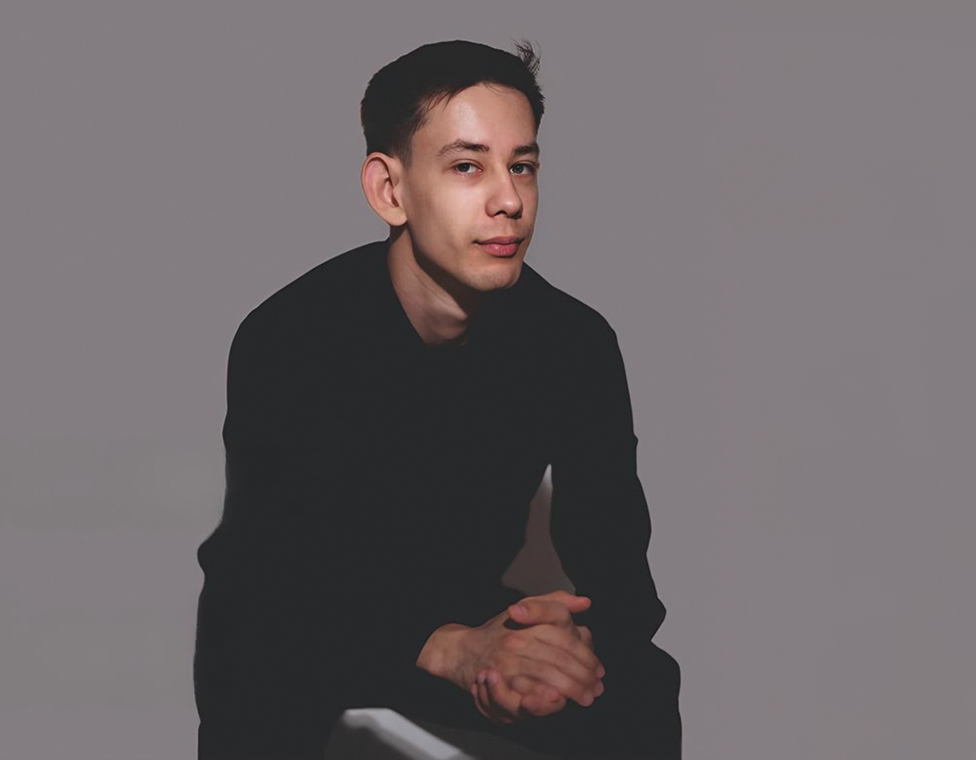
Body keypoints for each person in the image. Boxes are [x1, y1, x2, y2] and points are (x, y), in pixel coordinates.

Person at [193, 39, 681, 759]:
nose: (509, 200)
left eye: (522, 166)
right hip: (309, 624)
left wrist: (564, 645)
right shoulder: (292, 336)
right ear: (389, 191)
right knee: (260, 670)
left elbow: (621, 580)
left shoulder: (575, 343)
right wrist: (449, 649)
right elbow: (277, 575)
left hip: (473, 619)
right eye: (467, 167)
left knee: (638, 682)